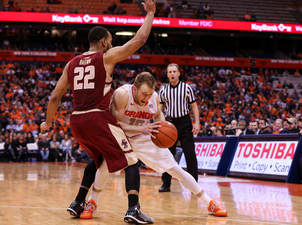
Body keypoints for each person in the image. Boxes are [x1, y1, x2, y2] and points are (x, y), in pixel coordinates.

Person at [40, 1, 156, 224]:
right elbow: (139, 40)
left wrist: (48, 122)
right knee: (131, 160)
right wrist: (149, 13)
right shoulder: (105, 58)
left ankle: (78, 202)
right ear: (104, 42)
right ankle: (133, 209)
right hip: (97, 117)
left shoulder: (71, 64)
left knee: (99, 158)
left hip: (76, 122)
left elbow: (54, 96)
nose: (111, 44)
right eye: (110, 41)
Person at [109, 72, 227, 216]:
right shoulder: (122, 94)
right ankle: (90, 201)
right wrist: (139, 128)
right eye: (144, 94)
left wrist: (161, 127)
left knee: (175, 169)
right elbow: (114, 124)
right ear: (135, 89)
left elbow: (158, 115)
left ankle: (209, 202)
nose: (147, 98)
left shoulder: (154, 98)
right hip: (120, 136)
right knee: (101, 167)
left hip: (144, 135)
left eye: (150, 94)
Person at [158, 63, 200, 192]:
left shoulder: (186, 88)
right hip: (170, 123)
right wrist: (161, 124)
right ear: (167, 74)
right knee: (168, 155)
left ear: (178, 73)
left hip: (184, 122)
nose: (171, 74)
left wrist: (197, 122)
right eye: (169, 72)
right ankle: (166, 183)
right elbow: (160, 109)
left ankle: (194, 185)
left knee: (189, 153)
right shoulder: (163, 90)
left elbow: (194, 106)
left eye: (174, 71)